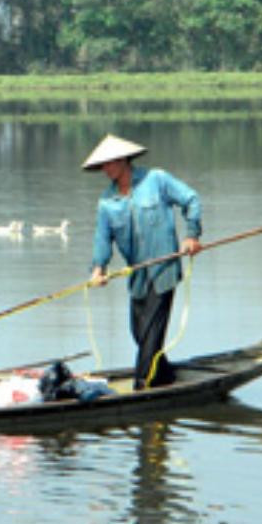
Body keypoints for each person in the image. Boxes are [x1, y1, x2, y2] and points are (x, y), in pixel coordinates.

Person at [84, 134, 202, 390]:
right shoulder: (107, 203)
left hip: (164, 270)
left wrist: (192, 236)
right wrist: (98, 269)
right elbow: (102, 239)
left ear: (124, 160)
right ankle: (165, 377)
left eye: (110, 163)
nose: (106, 169)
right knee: (140, 334)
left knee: (149, 335)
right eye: (102, 165)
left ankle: (141, 387)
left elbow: (191, 200)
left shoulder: (156, 180)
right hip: (138, 277)